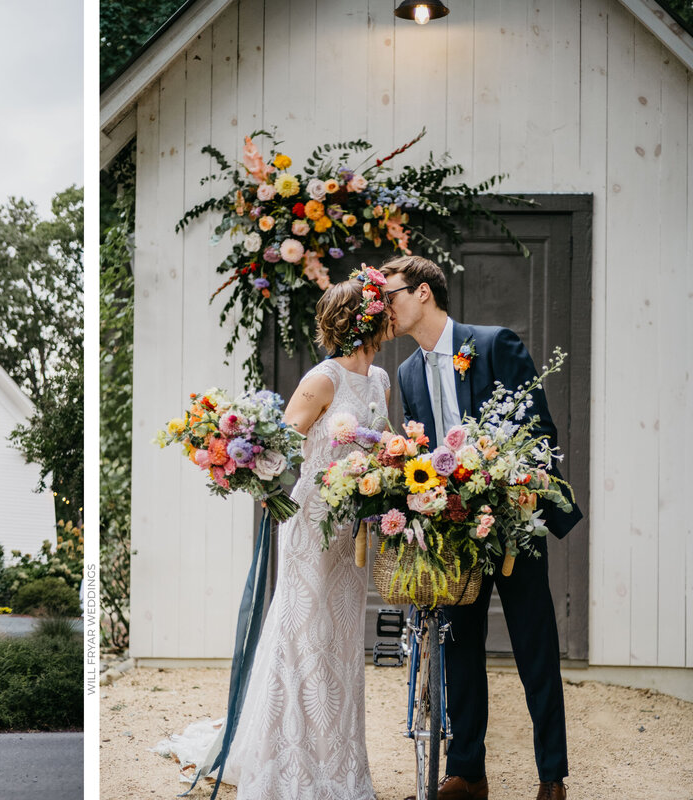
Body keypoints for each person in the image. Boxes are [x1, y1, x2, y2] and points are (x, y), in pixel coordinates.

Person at [158, 271, 390, 800]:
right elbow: (278, 452)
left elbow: (381, 442)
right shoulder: (321, 380)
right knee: (304, 637)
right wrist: (267, 488)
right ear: (366, 320)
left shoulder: (379, 380)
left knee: (341, 644)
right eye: (382, 312)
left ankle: (338, 762)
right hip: (311, 524)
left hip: (352, 528)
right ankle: (290, 763)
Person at [381, 255, 583, 800]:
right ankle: (468, 772)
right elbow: (422, 449)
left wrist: (502, 482)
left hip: (513, 520)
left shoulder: (494, 344)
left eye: (391, 293)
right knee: (459, 646)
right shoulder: (405, 372)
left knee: (533, 648)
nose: (384, 306)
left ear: (423, 293)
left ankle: (551, 778)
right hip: (455, 533)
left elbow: (538, 430)